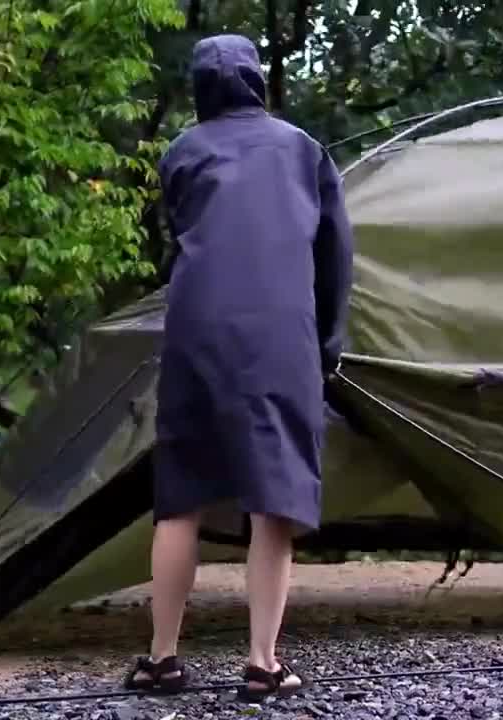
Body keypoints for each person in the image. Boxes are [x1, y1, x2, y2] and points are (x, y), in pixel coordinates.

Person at [124, 33, 354, 701]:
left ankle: (162, 659)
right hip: (280, 333)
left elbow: (185, 233)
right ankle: (262, 664)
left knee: (180, 498)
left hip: (195, 330)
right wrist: (327, 345)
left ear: (200, 89)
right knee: (273, 499)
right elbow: (336, 257)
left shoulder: (180, 153)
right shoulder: (304, 150)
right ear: (258, 80)